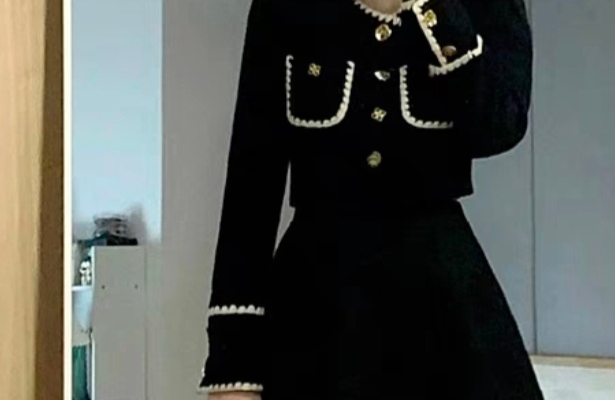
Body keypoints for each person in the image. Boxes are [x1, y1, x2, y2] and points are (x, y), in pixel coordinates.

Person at [199, 0, 539, 398]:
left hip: (440, 299)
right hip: (315, 301)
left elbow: (500, 125)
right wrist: (233, 370)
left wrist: (431, 12)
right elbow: (251, 185)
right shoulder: (285, 7)